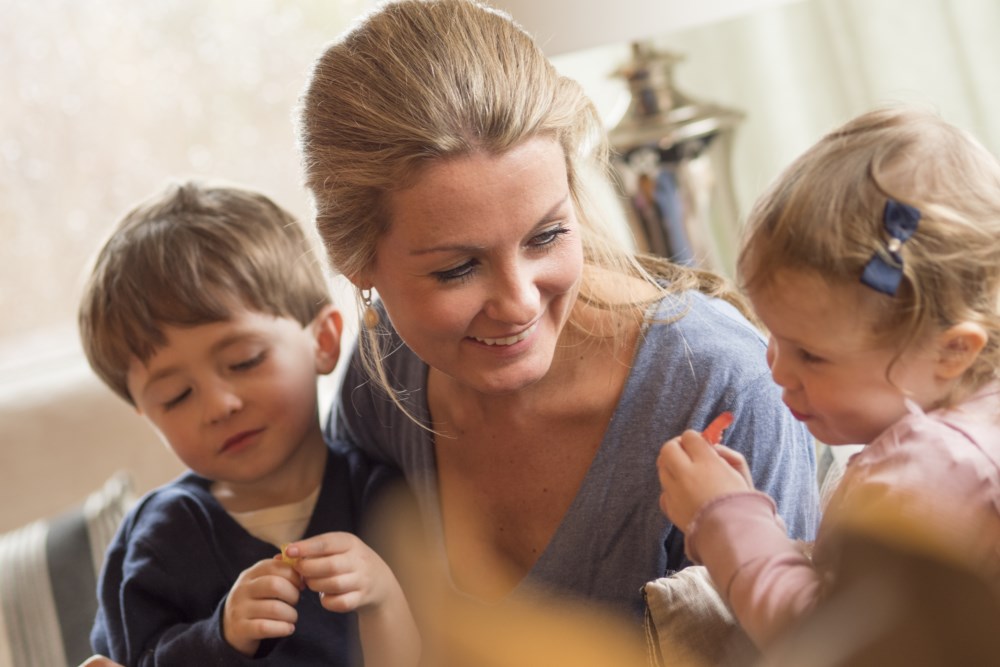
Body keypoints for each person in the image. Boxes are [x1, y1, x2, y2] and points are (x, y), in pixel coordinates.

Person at [297, 0, 819, 622]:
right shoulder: (384, 373)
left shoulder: (717, 384)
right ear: (356, 263)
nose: (518, 302)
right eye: (456, 269)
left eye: (546, 236)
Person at [656, 105, 1000, 649]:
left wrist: (721, 517)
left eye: (811, 356)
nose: (776, 368)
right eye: (773, 334)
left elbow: (825, 638)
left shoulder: (933, 468)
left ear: (950, 352)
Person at [77, 181, 418, 666]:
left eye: (244, 361)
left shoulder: (386, 496)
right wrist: (220, 638)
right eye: (176, 397)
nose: (218, 405)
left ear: (323, 341)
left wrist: (383, 597)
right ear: (146, 413)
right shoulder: (159, 538)